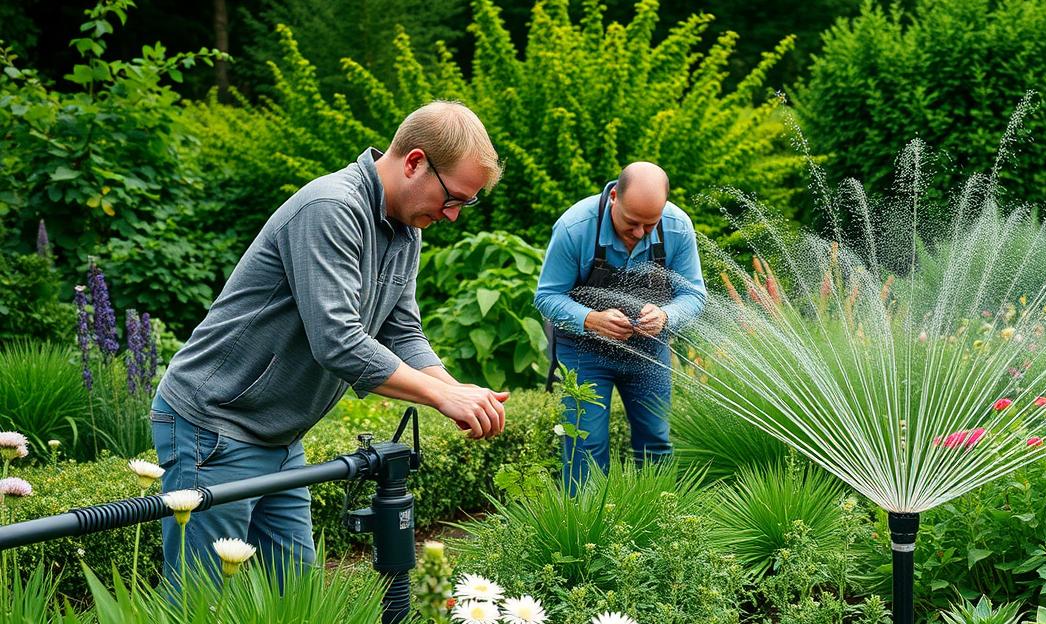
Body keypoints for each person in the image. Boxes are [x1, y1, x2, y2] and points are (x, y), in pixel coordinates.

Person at [151, 100, 508, 585]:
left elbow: (400, 330)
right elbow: (338, 341)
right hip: (215, 424)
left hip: (279, 435)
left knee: (296, 604)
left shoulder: (405, 230)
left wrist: (454, 388)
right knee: (201, 608)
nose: (453, 216)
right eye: (453, 199)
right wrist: (442, 396)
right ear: (415, 162)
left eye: (466, 203)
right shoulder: (332, 209)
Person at [534, 162, 706, 491]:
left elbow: (693, 295)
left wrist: (667, 316)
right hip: (584, 352)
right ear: (614, 196)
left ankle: (659, 523)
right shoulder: (575, 228)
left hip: (649, 352)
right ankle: (587, 531)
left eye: (649, 225)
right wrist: (591, 319)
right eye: (631, 223)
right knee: (585, 445)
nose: (640, 233)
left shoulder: (677, 226)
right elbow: (546, 297)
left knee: (656, 440)